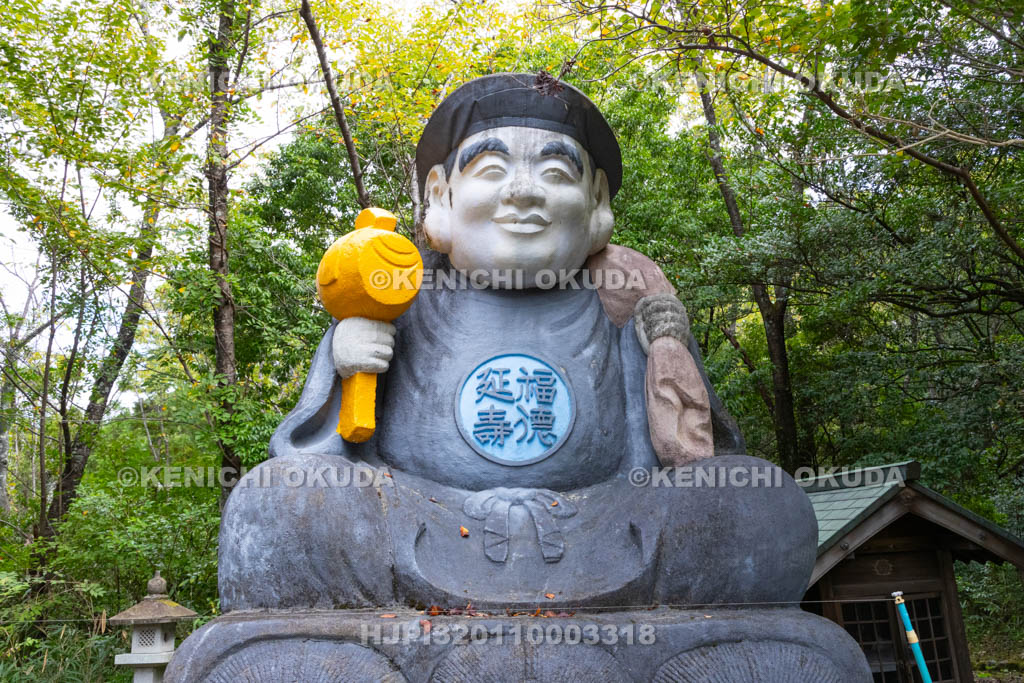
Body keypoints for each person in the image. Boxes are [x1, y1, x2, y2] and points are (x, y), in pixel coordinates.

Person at [218, 73, 814, 613]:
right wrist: (346, 353)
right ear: (441, 195)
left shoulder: (625, 302)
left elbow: (683, 458)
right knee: (280, 501)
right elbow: (329, 450)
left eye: (556, 174)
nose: (524, 192)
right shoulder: (402, 294)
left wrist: (665, 358)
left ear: (596, 201)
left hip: (600, 522)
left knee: (756, 505)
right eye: (491, 170)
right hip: (419, 514)